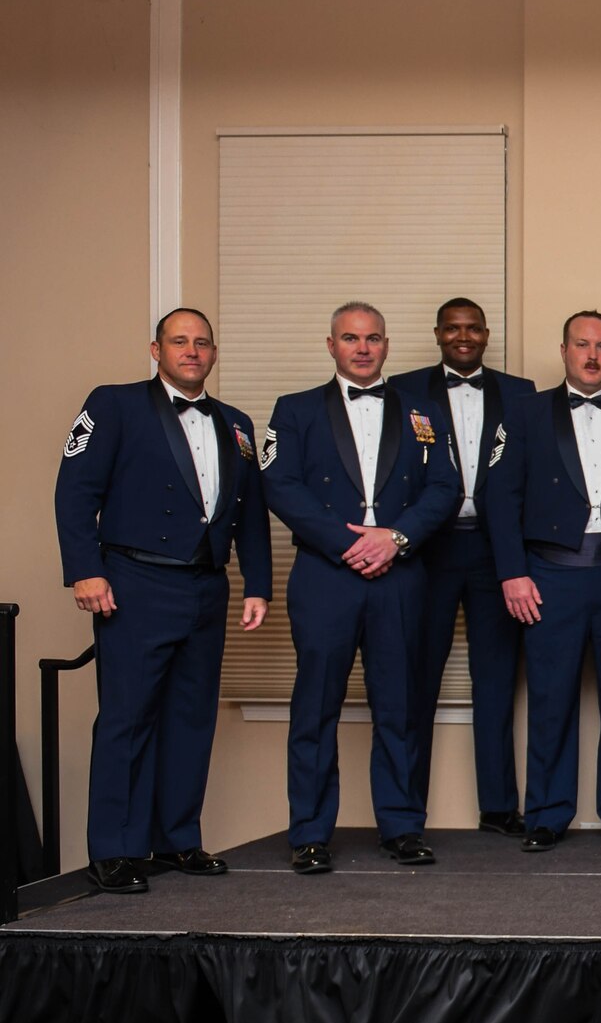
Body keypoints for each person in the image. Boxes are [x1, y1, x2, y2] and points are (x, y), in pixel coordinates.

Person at [54, 308, 274, 894]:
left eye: (202, 343)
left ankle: (177, 839)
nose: (192, 351)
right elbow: (75, 489)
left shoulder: (236, 423)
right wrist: (85, 571)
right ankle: (115, 849)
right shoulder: (114, 404)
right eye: (180, 342)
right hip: (133, 583)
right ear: (156, 350)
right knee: (127, 719)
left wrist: (257, 583)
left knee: (191, 718)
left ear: (214, 352)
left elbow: (249, 513)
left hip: (207, 585)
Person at [261, 302, 461, 872]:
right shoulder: (295, 410)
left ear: (388, 345)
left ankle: (401, 826)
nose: (363, 348)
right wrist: (348, 544)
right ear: (331, 346)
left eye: (373, 338)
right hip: (326, 576)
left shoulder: (423, 411)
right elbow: (280, 484)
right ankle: (309, 833)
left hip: (399, 575)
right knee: (315, 706)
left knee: (399, 704)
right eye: (351, 338)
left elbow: (445, 488)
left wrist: (394, 539)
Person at [485, 311, 601, 853]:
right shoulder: (524, 413)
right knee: (550, 698)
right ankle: (546, 812)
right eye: (582, 344)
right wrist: (512, 573)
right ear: (563, 350)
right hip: (548, 575)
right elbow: (501, 497)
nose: (592, 355)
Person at [387, 298, 536, 836]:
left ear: (487, 334)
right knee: (414, 680)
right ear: (437, 334)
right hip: (426, 550)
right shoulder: (402, 390)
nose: (464, 336)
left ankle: (498, 807)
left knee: (496, 681)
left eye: (473, 328)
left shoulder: (520, 394)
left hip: (496, 550)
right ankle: (406, 811)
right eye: (453, 328)